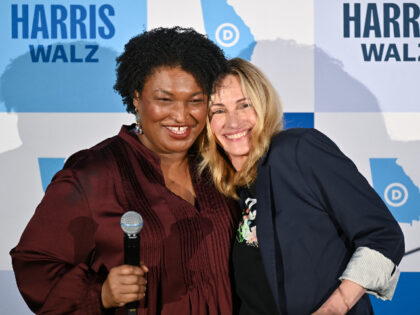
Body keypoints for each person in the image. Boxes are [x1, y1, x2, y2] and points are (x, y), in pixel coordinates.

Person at [10, 27, 238, 314]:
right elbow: (34, 264)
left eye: (195, 100)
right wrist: (100, 293)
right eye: (164, 99)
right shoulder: (93, 174)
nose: (182, 115)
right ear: (136, 98)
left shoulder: (220, 167)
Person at [199, 58, 405, 314]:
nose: (233, 122)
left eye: (244, 105)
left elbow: (383, 237)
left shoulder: (299, 150)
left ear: (263, 106)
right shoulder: (228, 188)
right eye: (218, 110)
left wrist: (334, 308)